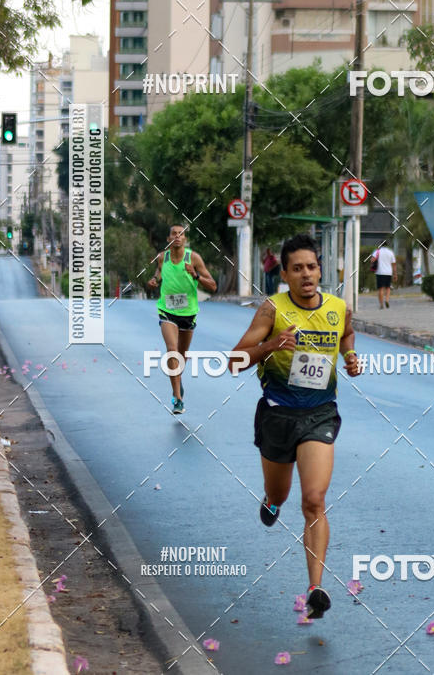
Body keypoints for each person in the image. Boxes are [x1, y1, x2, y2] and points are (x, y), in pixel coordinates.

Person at [230, 233, 361, 620]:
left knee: (314, 500)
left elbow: (347, 334)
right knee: (281, 493)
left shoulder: (338, 307)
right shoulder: (272, 310)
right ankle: (271, 500)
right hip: (277, 415)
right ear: (284, 274)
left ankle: (315, 588)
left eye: (312, 267)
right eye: (298, 268)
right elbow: (235, 360)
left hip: (320, 413)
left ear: (320, 270)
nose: (307, 274)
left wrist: (350, 355)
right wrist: (271, 346)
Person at [147, 225, 217, 414]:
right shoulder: (163, 257)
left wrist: (196, 275)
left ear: (185, 239)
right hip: (166, 310)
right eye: (174, 234)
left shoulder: (193, 258)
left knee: (181, 355)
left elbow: (212, 285)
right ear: (168, 238)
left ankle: (178, 382)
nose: (177, 237)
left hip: (188, 312)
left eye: (181, 234)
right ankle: (177, 397)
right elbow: (159, 271)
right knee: (172, 350)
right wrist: (155, 280)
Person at [372, 244, 397, 309]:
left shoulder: (377, 251)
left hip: (380, 272)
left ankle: (381, 304)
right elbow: (394, 264)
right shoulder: (390, 252)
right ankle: (387, 300)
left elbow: (372, 260)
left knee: (380, 289)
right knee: (388, 288)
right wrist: (395, 274)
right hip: (388, 273)